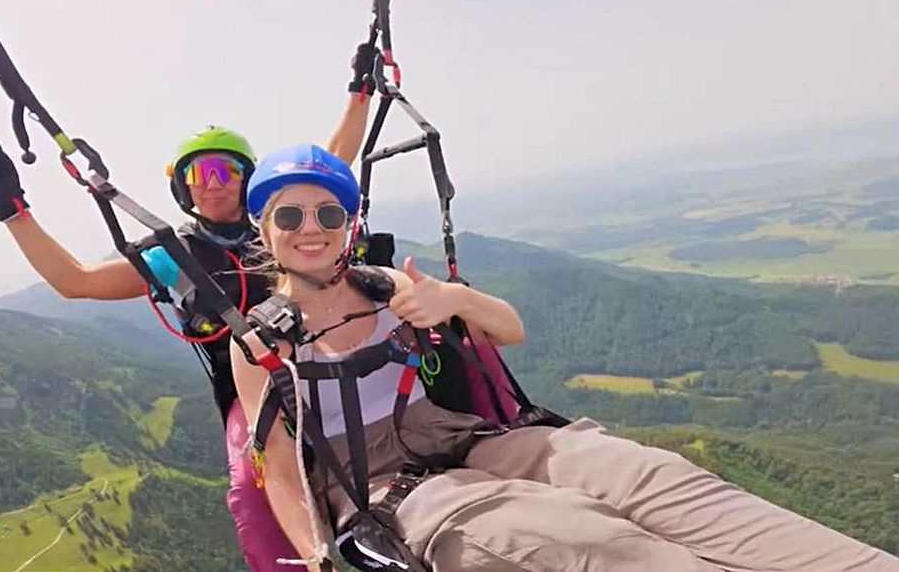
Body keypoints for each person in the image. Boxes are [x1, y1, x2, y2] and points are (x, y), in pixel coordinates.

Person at [231, 143, 899, 572]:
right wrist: (317, 556)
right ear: (264, 229)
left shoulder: (390, 288)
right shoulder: (260, 341)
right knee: (581, 544)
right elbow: (283, 472)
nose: (310, 228)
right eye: (289, 217)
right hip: (383, 488)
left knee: (645, 473)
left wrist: (451, 298)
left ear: (349, 222)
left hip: (475, 439)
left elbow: (507, 328)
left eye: (327, 212)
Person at [0, 46, 380, 571]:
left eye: (226, 171)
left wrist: (360, 93)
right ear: (183, 186)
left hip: (332, 360)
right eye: (200, 175)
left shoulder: (284, 224)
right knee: (251, 486)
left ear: (250, 180)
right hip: (254, 398)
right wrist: (12, 212)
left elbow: (331, 162)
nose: (214, 185)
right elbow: (78, 282)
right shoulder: (172, 258)